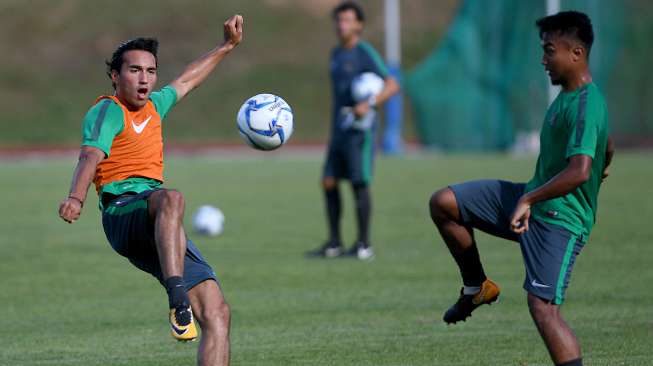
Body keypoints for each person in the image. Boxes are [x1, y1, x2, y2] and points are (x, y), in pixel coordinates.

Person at [428, 11, 614, 366]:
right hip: (532, 200)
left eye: (549, 51)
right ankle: (476, 288)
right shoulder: (568, 96)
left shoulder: (588, 104)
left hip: (561, 220)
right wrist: (602, 167)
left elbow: (579, 170)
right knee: (444, 203)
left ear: (576, 53)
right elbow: (606, 146)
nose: (543, 60)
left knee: (544, 309)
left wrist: (529, 198)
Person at [58, 15, 243, 366]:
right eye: (134, 70)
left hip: (161, 223)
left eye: (150, 71)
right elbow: (90, 155)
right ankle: (178, 301)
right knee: (171, 198)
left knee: (217, 313)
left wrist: (226, 46)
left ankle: (183, 303)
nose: (144, 78)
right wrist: (76, 198)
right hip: (123, 213)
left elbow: (188, 80)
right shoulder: (107, 111)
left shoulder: (156, 107)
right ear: (115, 76)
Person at [309, 1, 400, 260]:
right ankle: (335, 243)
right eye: (339, 20)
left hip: (361, 132)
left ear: (359, 24)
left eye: (348, 20)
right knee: (328, 181)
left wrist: (369, 103)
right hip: (339, 130)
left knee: (359, 184)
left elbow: (392, 85)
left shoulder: (364, 53)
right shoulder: (336, 54)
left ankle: (363, 245)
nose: (342, 25)